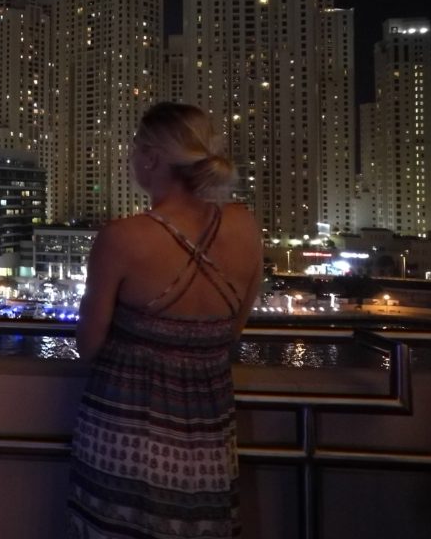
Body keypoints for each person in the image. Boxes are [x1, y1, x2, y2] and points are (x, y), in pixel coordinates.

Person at [67, 102, 262, 539]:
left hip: (125, 430)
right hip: (209, 431)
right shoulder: (245, 224)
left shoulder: (122, 237)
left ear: (151, 157)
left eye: (135, 148)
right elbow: (233, 330)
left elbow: (89, 343)